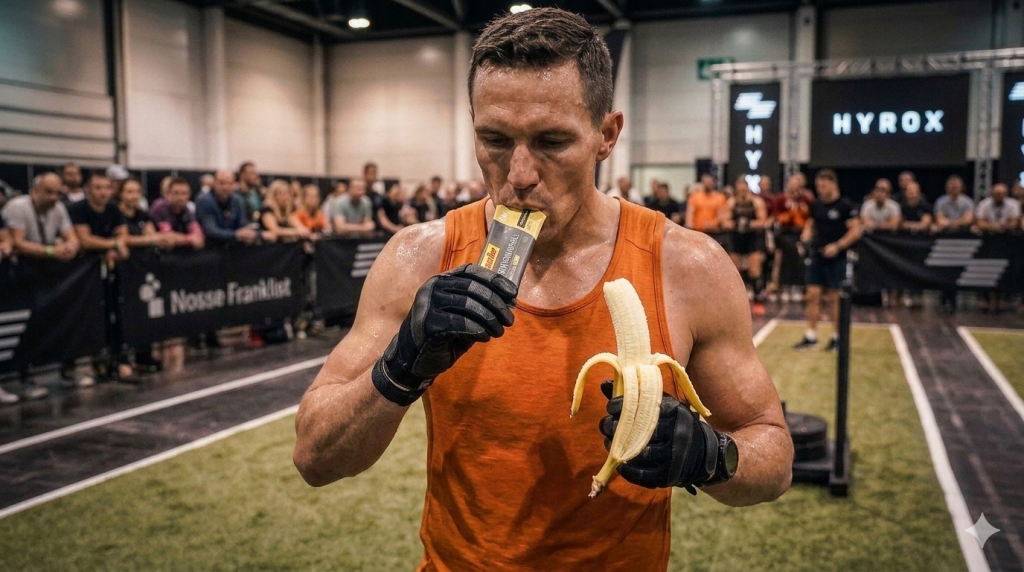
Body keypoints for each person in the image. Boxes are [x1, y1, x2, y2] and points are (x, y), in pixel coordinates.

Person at [293, 9, 791, 571]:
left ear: (606, 135)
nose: (521, 173)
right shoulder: (420, 257)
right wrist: (401, 364)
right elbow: (315, 455)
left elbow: (772, 456)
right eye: (495, 140)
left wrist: (712, 455)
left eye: (552, 141)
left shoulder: (686, 265)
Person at [793, 169, 860, 351]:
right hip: (817, 255)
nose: (820, 189)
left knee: (834, 298)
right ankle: (811, 336)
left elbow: (855, 231)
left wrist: (837, 246)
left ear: (833, 184)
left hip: (837, 257)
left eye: (823, 185)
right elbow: (810, 225)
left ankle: (837, 337)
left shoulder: (845, 205)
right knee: (812, 295)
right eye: (818, 186)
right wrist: (804, 240)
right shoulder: (816, 205)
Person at [722, 177, 769, 315]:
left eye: (744, 189)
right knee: (734, 271)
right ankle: (734, 303)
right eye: (740, 190)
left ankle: (758, 301)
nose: (742, 192)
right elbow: (725, 221)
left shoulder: (756, 202)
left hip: (752, 237)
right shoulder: (732, 202)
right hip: (736, 237)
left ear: (747, 189)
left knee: (755, 269)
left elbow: (763, 220)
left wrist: (748, 224)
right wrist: (736, 224)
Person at [770, 173, 813, 302]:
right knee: (783, 258)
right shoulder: (782, 198)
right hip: (785, 233)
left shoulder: (807, 198)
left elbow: (811, 217)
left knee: (800, 258)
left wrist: (807, 231)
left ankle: (798, 287)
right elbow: (776, 216)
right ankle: (784, 286)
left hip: (800, 233)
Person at [196, 170, 267, 245]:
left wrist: (250, 231)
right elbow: (210, 231)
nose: (225, 187)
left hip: (232, 247)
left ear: (234, 185)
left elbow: (242, 222)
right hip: (210, 247)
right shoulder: (204, 200)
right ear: (214, 184)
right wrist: (236, 234)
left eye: (229, 183)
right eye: (222, 183)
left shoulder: (237, 200)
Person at [150, 178, 205, 249]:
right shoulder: (159, 208)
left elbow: (199, 236)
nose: (180, 197)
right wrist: (189, 239)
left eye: (184, 193)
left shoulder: (187, 210)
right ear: (168, 194)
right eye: (176, 193)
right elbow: (168, 239)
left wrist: (184, 239)